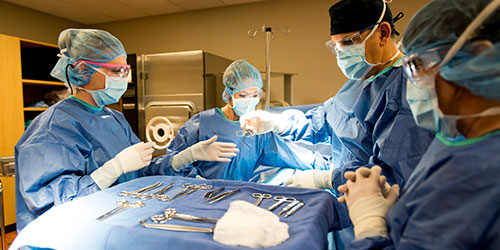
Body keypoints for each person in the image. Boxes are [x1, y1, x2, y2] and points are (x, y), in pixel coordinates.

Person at [338, 0, 500, 248]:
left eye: (416, 66)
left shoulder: (482, 173)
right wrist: (396, 213)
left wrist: (370, 225)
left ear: (477, 58)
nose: (408, 83)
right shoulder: (455, 139)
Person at [241, 0, 435, 196]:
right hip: (346, 195)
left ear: (383, 33)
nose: (341, 52)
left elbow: (393, 174)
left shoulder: (408, 90)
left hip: (376, 208)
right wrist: (279, 123)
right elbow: (326, 120)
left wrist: (326, 179)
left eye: (349, 42)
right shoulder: (361, 78)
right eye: (335, 46)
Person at [15, 28, 170, 231]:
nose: (123, 78)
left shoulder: (114, 118)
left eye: (125, 70)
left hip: (112, 223)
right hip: (70, 236)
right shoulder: (51, 129)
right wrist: (115, 168)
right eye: (116, 71)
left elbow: (140, 171)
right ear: (83, 70)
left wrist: (182, 158)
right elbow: (55, 203)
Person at [162, 59, 328, 181]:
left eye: (255, 95)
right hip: (200, 195)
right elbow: (174, 162)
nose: (249, 100)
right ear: (228, 93)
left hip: (239, 196)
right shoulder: (202, 123)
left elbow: (289, 154)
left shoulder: (259, 128)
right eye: (243, 95)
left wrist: (327, 168)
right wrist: (196, 182)